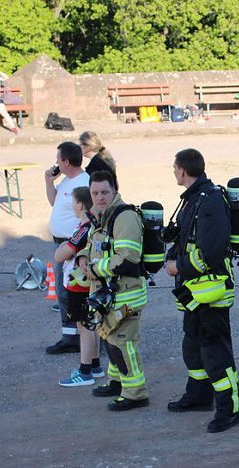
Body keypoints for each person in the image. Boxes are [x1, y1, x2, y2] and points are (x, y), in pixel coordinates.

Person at [165, 149, 239, 433]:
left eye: (175, 169)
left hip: (211, 293)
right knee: (193, 345)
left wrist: (178, 267)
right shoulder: (193, 199)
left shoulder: (209, 201)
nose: (174, 173)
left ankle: (230, 408)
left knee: (216, 352)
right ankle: (198, 395)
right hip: (194, 292)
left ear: (183, 170)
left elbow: (210, 252)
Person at [79, 170, 149, 411]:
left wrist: (95, 268)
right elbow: (91, 246)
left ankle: (136, 393)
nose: (99, 197)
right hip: (108, 295)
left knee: (123, 343)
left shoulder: (124, 217)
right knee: (109, 338)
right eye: (95, 193)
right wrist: (81, 258)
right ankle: (118, 382)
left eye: (104, 192)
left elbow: (128, 258)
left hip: (125, 295)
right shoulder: (100, 217)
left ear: (115, 191)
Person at [56, 186, 104, 387]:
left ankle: (85, 372)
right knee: (91, 325)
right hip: (88, 283)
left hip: (79, 285)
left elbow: (60, 255)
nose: (72, 205)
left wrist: (61, 248)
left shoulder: (84, 228)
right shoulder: (94, 224)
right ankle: (95, 365)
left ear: (80, 205)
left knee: (83, 327)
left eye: (73, 202)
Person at [45, 141, 90, 355]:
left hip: (72, 245)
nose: (56, 163)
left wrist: (77, 247)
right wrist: (49, 182)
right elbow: (54, 202)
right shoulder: (65, 181)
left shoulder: (83, 183)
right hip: (61, 242)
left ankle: (80, 336)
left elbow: (88, 216)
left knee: (71, 291)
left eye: (58, 160)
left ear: (67, 161)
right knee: (63, 291)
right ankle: (70, 336)